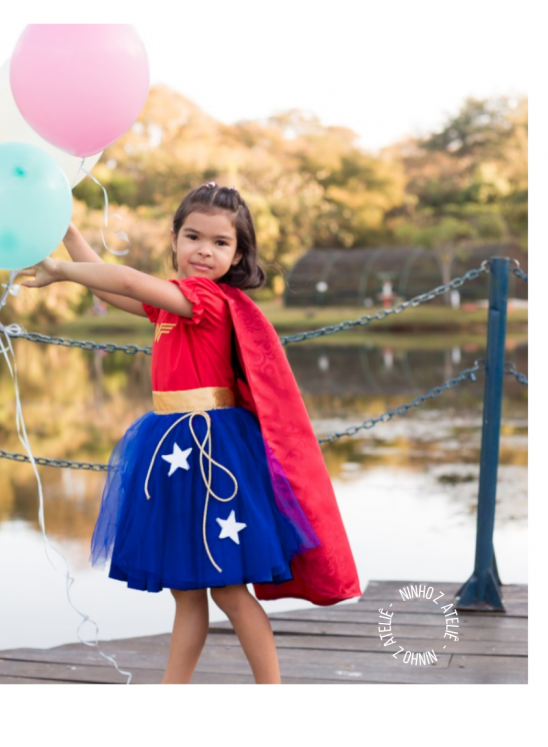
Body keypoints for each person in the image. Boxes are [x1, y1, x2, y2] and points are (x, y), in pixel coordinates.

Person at [19, 182, 360, 684]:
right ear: (175, 239)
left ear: (238, 254)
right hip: (173, 448)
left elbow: (131, 283)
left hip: (212, 453)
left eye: (220, 243)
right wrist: (67, 232)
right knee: (186, 592)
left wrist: (59, 271)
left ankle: (273, 693)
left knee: (228, 590)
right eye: (193, 237)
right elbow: (110, 288)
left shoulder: (205, 298)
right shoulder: (173, 300)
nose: (204, 250)